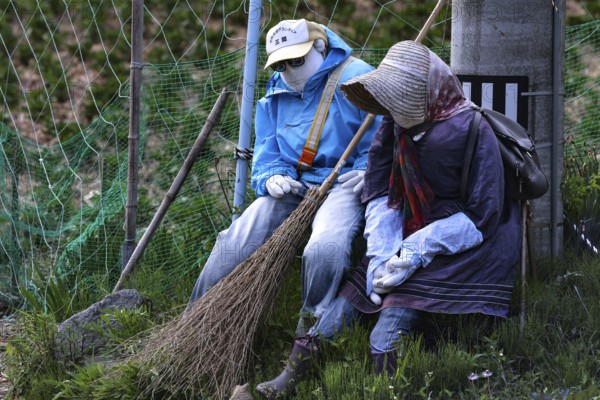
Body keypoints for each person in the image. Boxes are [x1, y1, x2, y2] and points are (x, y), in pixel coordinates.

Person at [255, 40, 522, 398]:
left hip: (457, 242)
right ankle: (290, 376)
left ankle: (386, 389)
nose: (391, 111)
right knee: (343, 310)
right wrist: (383, 251)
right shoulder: (395, 122)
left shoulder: (473, 130)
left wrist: (415, 251)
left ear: (423, 94)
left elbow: (483, 213)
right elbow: (380, 187)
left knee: (388, 326)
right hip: (403, 227)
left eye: (398, 101)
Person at [188, 19, 380, 337]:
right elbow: (267, 152)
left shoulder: (356, 76)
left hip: (343, 183)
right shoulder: (277, 90)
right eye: (282, 63)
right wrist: (272, 175)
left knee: (325, 248)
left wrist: (369, 167)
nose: (290, 69)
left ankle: (311, 332)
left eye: (297, 59)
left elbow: (383, 136)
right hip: (294, 184)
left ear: (319, 48)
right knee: (233, 242)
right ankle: (195, 322)